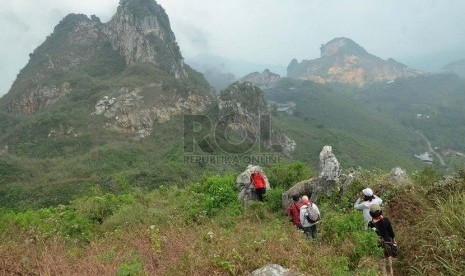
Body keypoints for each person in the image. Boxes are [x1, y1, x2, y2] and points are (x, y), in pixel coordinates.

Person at [368, 204, 397, 276]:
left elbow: (370, 237)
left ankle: (385, 274)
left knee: (382, 263)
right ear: (381, 212)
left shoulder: (370, 224)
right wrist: (394, 242)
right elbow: (391, 233)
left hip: (379, 245)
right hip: (388, 243)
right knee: (389, 260)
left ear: (371, 214)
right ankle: (391, 273)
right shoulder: (386, 220)